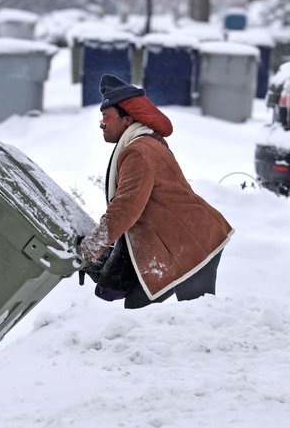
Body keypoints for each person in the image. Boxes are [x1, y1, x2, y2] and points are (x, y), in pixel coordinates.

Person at [78, 74, 234, 309]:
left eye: (106, 117)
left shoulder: (138, 152)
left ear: (127, 119)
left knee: (165, 317)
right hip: (184, 241)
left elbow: (124, 209)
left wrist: (90, 248)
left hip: (190, 245)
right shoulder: (144, 143)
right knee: (164, 316)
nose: (102, 123)